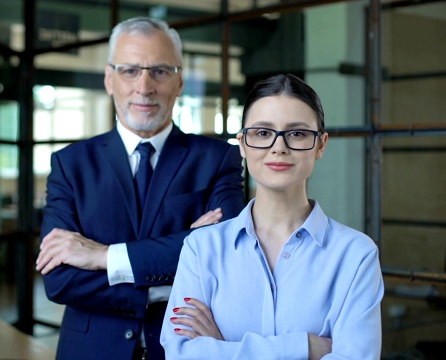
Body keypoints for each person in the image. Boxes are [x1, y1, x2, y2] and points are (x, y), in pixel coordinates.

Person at [35, 17, 245, 360]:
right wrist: (162, 284)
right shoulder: (70, 164)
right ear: (109, 79)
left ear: (179, 81)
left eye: (160, 71)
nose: (144, 87)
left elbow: (223, 254)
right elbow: (60, 280)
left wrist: (104, 257)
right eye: (130, 70)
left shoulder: (218, 159)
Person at [160, 74, 384, 359]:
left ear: (321, 145)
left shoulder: (355, 255)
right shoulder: (202, 248)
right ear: (242, 143)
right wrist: (301, 348)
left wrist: (223, 350)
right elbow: (181, 355)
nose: (279, 147)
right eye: (263, 133)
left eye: (297, 133)